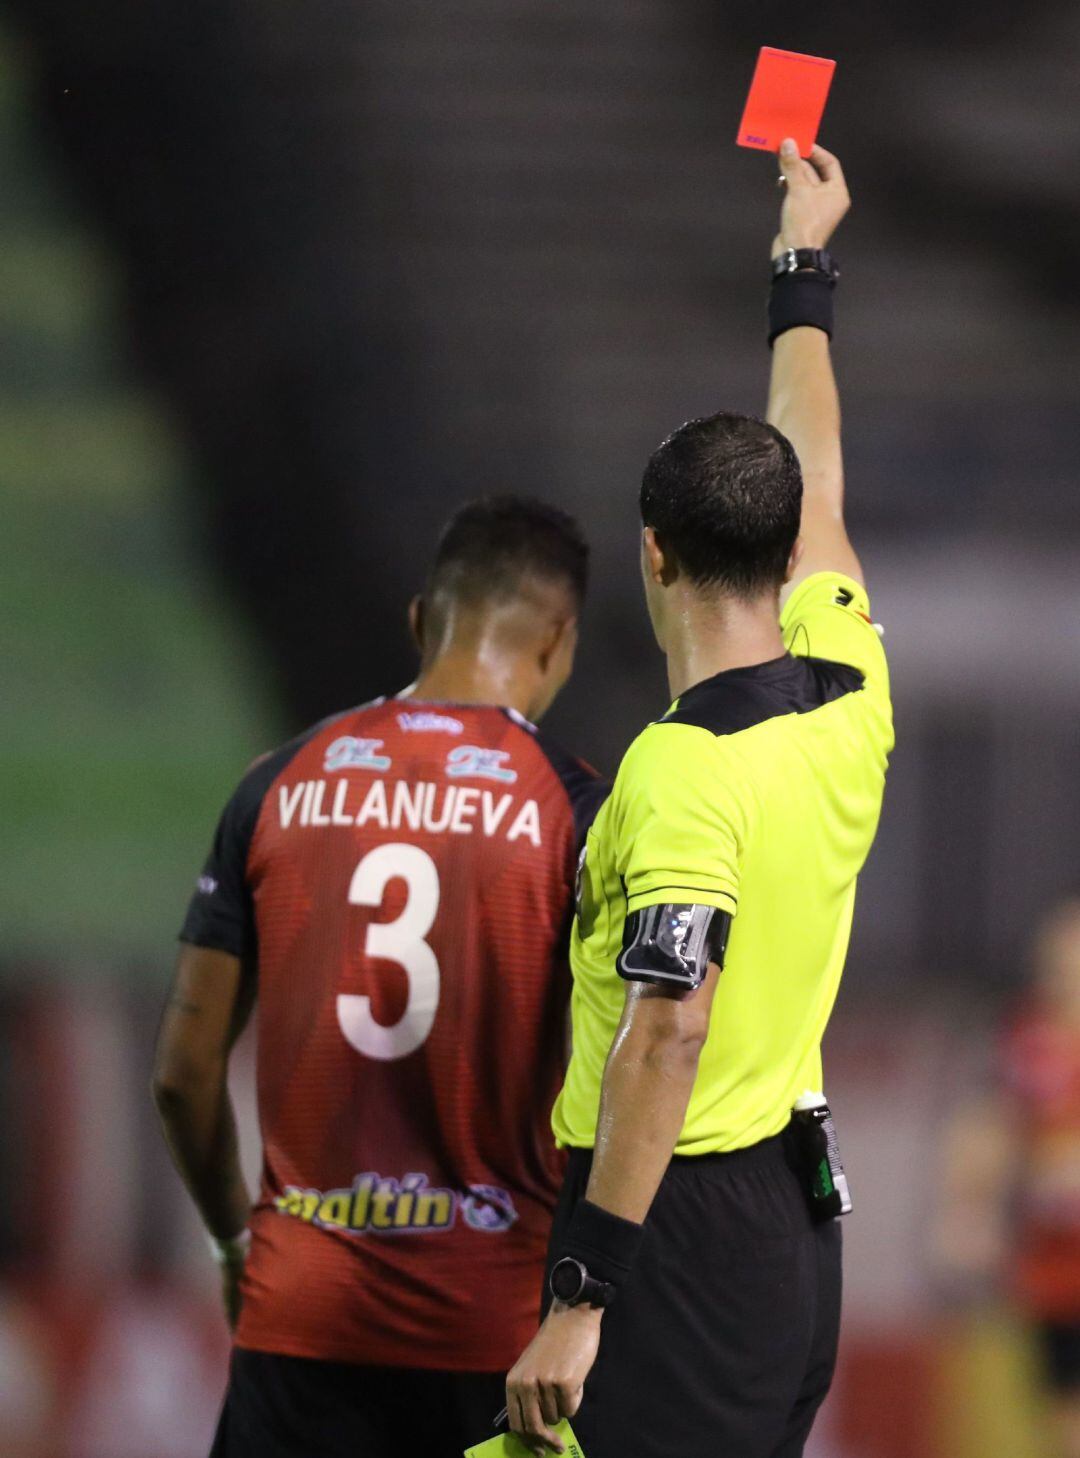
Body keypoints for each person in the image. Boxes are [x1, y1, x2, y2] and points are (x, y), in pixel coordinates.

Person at [506, 139, 894, 1458]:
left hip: (670, 1241)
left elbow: (670, 1032)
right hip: (790, 1231)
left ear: (653, 554)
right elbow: (820, 466)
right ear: (792, 552)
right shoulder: (852, 674)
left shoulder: (681, 773)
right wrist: (804, 264)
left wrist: (580, 1293)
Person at [152, 497, 609, 1458]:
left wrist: (237, 1246)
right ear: (561, 638)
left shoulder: (278, 780)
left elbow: (183, 1075)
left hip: (301, 1322)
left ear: (419, 619)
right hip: (490, 1333)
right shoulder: (575, 809)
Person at [935, 898, 1080, 1458]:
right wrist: (966, 1211)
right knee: (1060, 1408)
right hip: (1055, 1267)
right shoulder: (1033, 1043)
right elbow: (988, 1129)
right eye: (1057, 967)